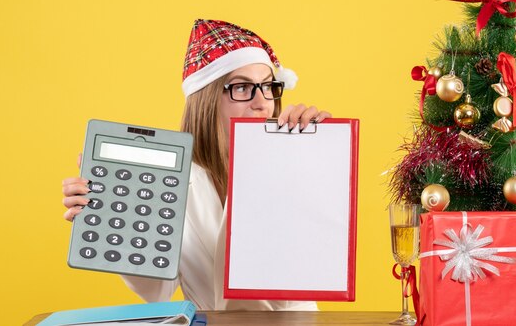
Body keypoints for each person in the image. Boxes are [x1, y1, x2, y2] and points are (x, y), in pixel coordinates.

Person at [61, 19, 331, 310]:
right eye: (242, 87)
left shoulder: (292, 161)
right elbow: (156, 290)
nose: (262, 102)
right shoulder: (170, 180)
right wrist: (112, 210)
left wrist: (318, 154)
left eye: (268, 86)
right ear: (206, 100)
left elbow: (310, 267)